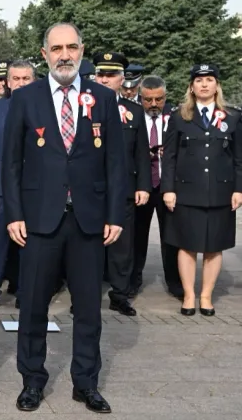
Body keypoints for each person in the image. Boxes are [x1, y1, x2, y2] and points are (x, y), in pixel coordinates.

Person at [3, 22, 125, 414]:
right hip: (39, 219)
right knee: (33, 306)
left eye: (71, 47)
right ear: (44, 54)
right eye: (56, 49)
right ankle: (32, 381)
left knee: (88, 308)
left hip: (89, 219)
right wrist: (14, 213)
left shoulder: (102, 97)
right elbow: (11, 163)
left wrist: (115, 214)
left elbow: (116, 162)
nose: (65, 55)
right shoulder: (26, 98)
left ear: (82, 50)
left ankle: (85, 383)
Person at [161, 64, 242, 317]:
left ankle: (206, 295)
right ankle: (189, 295)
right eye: (199, 80)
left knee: (214, 246)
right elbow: (169, 157)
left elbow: (238, 158)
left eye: (209, 80)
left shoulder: (232, 117)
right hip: (186, 193)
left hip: (220, 193)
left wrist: (239, 189)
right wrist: (168, 189)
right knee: (186, 245)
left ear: (217, 85)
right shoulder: (179, 116)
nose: (204, 84)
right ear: (191, 87)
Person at [92, 52, 150, 317]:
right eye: (101, 74)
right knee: (89, 247)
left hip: (123, 189)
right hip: (90, 189)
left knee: (122, 247)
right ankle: (86, 295)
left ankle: (120, 295)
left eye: (111, 75)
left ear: (122, 79)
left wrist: (143, 186)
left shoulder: (134, 111)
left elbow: (141, 152)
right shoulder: (82, 106)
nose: (105, 80)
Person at [0, 60, 35, 313]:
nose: (21, 83)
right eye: (16, 79)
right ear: (7, 82)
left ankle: (25, 292)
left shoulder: (45, 108)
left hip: (34, 190)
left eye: (26, 79)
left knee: (29, 246)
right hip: (1, 190)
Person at [132, 75, 181, 298]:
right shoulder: (133, 116)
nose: (154, 104)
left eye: (159, 99)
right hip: (141, 185)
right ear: (140, 97)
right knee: (137, 237)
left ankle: (175, 282)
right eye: (148, 100)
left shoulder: (176, 117)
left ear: (165, 97)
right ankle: (132, 281)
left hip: (167, 186)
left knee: (171, 237)